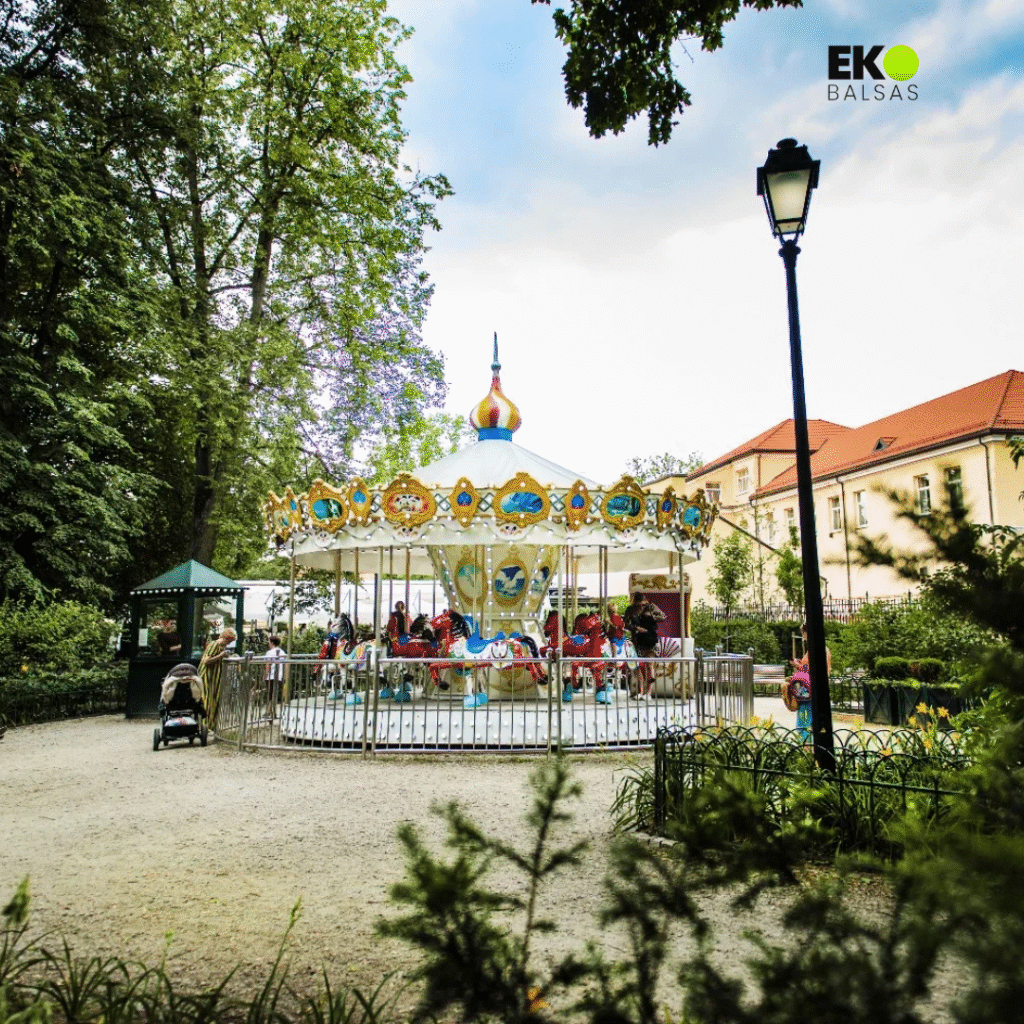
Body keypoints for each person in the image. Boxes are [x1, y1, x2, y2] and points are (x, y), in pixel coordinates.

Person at [788, 623, 832, 744]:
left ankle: (807, 751)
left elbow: (811, 669)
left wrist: (798, 666)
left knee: (803, 725)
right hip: (819, 689)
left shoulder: (814, 649)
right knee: (814, 724)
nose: (803, 635)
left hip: (809, 691)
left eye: (803, 632)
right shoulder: (823, 648)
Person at [623, 593, 665, 699]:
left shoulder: (651, 607)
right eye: (638, 605)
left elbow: (663, 617)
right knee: (639, 665)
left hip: (650, 638)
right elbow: (626, 623)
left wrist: (650, 617)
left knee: (649, 665)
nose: (640, 607)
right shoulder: (631, 610)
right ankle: (640, 691)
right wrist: (635, 628)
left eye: (642, 604)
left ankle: (649, 693)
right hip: (638, 639)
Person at [198, 627, 236, 729]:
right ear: (226, 639)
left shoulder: (220, 646)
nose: (228, 644)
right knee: (207, 701)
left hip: (214, 678)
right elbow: (206, 661)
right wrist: (221, 655)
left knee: (214, 700)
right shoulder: (215, 644)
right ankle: (205, 726)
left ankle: (211, 725)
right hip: (208, 677)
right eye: (229, 641)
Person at [263, 634, 285, 717]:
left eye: (269, 641)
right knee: (274, 694)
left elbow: (268, 664)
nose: (268, 643)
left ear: (272, 642)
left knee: (270, 694)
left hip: (271, 676)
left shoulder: (269, 652)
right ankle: (272, 711)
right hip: (279, 676)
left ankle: (270, 711)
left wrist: (265, 675)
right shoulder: (282, 652)